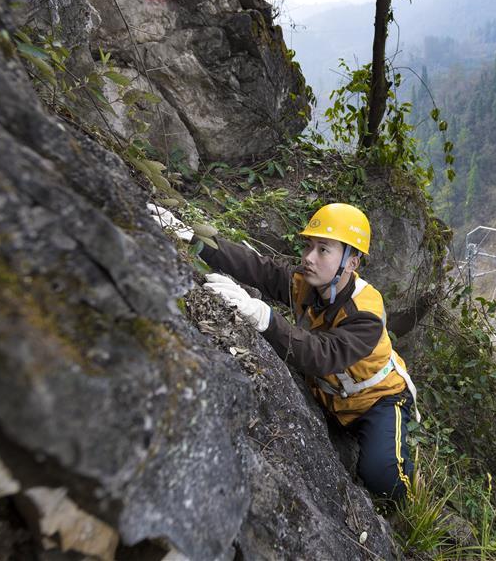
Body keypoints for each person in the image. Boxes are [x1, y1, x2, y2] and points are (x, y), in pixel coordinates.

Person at [149, 202, 419, 501]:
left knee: (382, 478)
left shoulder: (365, 312)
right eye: (309, 246)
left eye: (323, 250)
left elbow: (322, 355)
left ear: (352, 263)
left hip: (377, 400)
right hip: (328, 395)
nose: (308, 258)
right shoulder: (308, 284)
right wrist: (193, 238)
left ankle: (403, 497)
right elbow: (259, 269)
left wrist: (264, 317)